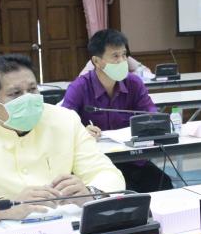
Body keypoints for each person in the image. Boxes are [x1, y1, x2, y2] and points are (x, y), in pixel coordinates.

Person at [0, 54, 125, 224]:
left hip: (62, 224)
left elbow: (106, 172)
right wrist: (1, 208)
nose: (28, 99)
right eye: (15, 93)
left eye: (32, 89)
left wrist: (92, 193)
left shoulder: (65, 119)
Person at [62, 29, 173, 193]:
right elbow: (63, 125)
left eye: (124, 55)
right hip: (96, 165)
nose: (122, 61)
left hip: (132, 160)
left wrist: (150, 121)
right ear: (97, 61)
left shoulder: (134, 83)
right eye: (115, 56)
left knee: (163, 183)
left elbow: (152, 114)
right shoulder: (79, 87)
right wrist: (82, 131)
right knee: (121, 193)